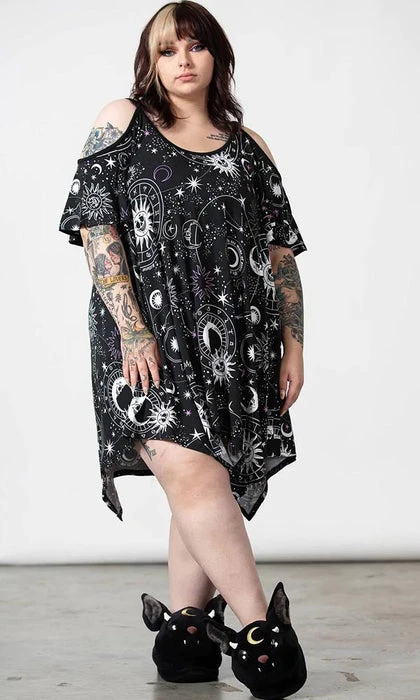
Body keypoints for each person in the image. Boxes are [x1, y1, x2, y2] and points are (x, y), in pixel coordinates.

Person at [58, 1, 308, 694]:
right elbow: (97, 229)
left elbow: (280, 256)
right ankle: (262, 633)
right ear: (150, 62)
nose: (183, 60)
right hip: (145, 338)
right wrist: (133, 328)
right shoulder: (121, 123)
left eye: (196, 46)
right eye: (168, 50)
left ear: (217, 56)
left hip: (236, 341)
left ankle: (187, 634)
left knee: (205, 482)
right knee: (193, 475)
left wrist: (293, 346)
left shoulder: (250, 148)